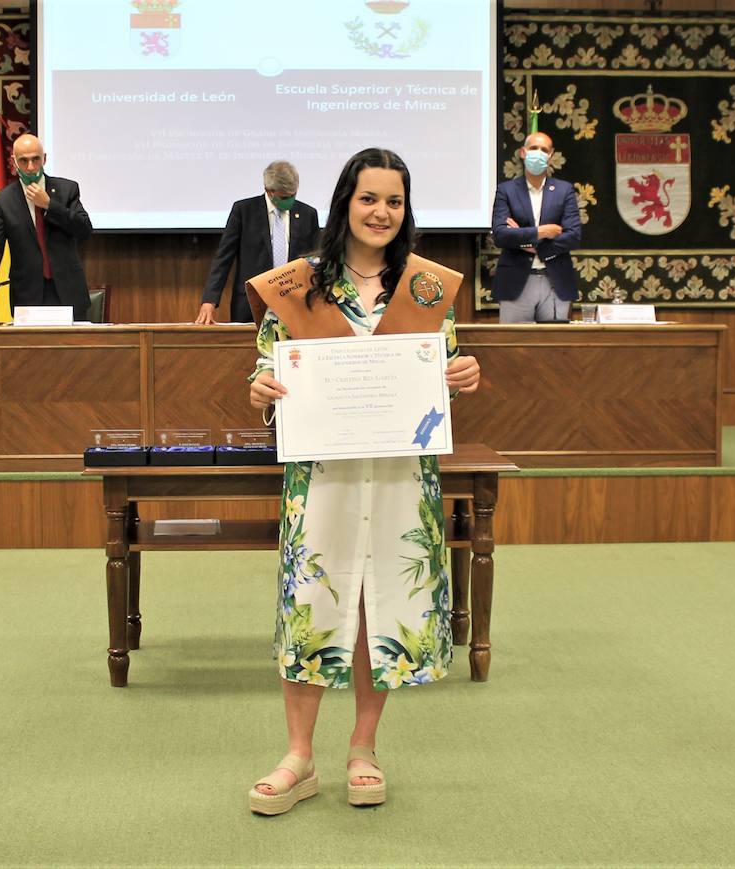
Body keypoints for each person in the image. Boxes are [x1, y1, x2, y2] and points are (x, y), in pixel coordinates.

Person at [245, 148, 480, 814]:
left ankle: (363, 748)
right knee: (313, 603)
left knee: (382, 603)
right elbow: (265, 366)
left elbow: (443, 373)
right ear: (346, 201)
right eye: (369, 197)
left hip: (402, 478)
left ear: (406, 211)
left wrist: (461, 376)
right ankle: (298, 755)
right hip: (323, 479)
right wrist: (260, 386)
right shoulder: (301, 286)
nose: (381, 212)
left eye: (394, 201)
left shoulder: (424, 287)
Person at [0, 133, 94, 320]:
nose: (30, 167)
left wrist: (49, 205)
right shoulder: (4, 201)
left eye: (35, 159)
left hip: (67, 291)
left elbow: (84, 229)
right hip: (27, 296)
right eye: (23, 161)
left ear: (44, 158)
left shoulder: (66, 190)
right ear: (14, 162)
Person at [195, 160, 321, 325]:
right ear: (269, 191)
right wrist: (209, 301)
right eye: (284, 197)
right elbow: (223, 258)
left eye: (293, 195)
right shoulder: (244, 211)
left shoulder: (307, 214)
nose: (290, 200)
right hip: (251, 305)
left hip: (295, 304)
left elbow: (315, 262)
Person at [490, 131, 582, 323]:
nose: (538, 153)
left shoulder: (564, 190)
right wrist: (542, 232)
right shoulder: (506, 190)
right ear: (523, 152)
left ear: (551, 155)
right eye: (533, 148)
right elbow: (500, 235)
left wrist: (527, 242)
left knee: (554, 348)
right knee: (514, 347)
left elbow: (573, 236)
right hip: (515, 281)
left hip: (555, 281)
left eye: (544, 150)